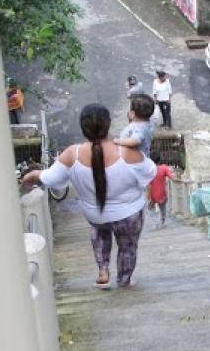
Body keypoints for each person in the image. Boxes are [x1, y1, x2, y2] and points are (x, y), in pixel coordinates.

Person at [22, 104, 156, 289]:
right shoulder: (126, 152)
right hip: (128, 215)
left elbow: (51, 179)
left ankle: (103, 270)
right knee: (127, 246)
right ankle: (124, 280)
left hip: (95, 215)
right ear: (108, 124)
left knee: (100, 232)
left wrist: (35, 174)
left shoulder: (72, 154)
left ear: (82, 127)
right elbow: (150, 172)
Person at [146, 161, 173, 228]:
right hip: (162, 194)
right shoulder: (164, 168)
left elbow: (148, 185)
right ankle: (162, 222)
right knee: (163, 208)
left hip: (152, 194)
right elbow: (172, 176)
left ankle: (155, 223)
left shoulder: (149, 170)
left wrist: (148, 195)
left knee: (150, 208)